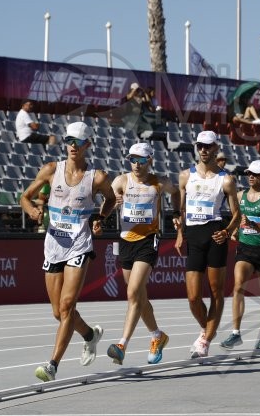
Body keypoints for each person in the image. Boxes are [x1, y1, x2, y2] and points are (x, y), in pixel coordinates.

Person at [20, 121, 117, 381]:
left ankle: (52, 365)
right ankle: (89, 335)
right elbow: (25, 196)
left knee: (66, 305)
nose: (72, 146)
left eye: (78, 141)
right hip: (53, 245)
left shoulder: (97, 177)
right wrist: (33, 211)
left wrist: (101, 217)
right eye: (69, 141)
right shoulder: (51, 170)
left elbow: (111, 199)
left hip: (79, 245)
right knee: (58, 313)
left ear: (87, 145)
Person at [105, 142, 179, 366]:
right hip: (127, 240)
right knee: (139, 296)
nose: (136, 164)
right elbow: (107, 204)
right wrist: (111, 206)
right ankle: (157, 336)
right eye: (132, 160)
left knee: (133, 292)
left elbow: (175, 193)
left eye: (141, 160)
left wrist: (177, 213)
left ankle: (122, 345)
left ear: (150, 161)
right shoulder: (121, 181)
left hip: (149, 240)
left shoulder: (159, 182)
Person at [174, 130, 242, 358]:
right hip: (193, 234)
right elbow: (181, 210)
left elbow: (236, 213)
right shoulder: (185, 176)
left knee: (216, 291)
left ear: (215, 148)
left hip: (215, 234)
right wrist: (179, 232)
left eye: (208, 146)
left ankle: (205, 339)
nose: (203, 150)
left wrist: (227, 231)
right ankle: (208, 328)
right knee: (193, 297)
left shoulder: (226, 179)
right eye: (200, 146)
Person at [219, 160, 260, 350]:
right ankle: (236, 333)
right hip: (245, 248)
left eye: (254, 174)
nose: (250, 176)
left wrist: (253, 225)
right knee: (237, 287)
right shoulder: (240, 195)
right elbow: (236, 218)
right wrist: (235, 229)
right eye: (248, 173)